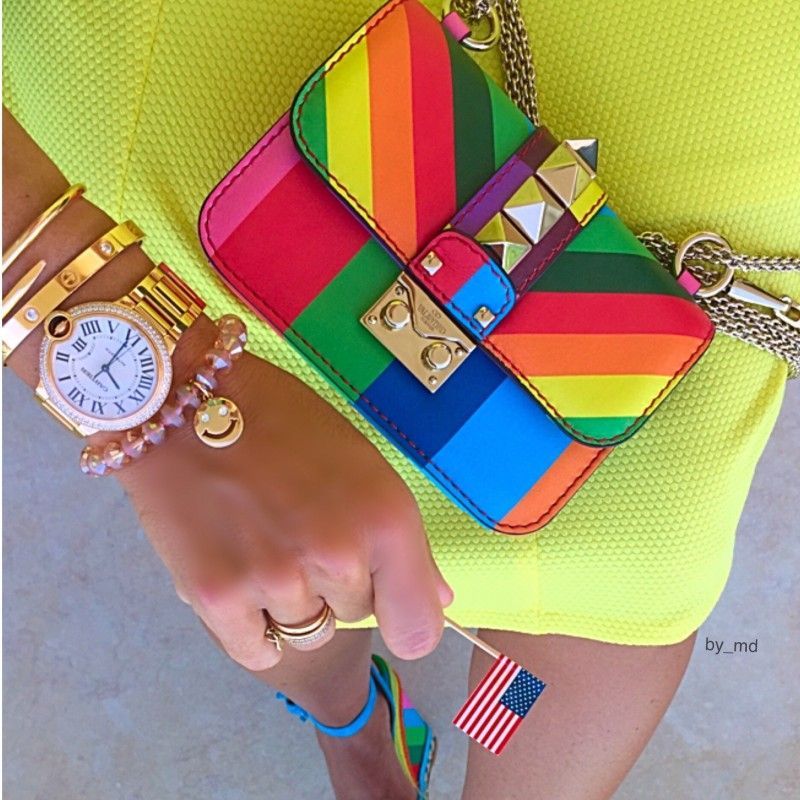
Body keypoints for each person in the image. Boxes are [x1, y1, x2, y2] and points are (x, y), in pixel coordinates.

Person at [3, 1, 798, 798]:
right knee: (289, 577)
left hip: (685, 295)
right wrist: (169, 381)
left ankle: (359, 731)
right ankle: (353, 729)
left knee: (617, 594)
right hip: (257, 169)